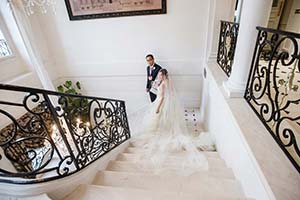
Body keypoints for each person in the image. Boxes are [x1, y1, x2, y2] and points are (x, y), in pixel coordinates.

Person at [131, 69, 215, 175]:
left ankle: (161, 131)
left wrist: (158, 107)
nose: (159, 76)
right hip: (159, 100)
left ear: (164, 75)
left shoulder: (165, 82)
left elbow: (163, 97)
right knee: (157, 120)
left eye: (161, 75)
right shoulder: (164, 81)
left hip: (160, 102)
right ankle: (160, 129)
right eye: (159, 75)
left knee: (159, 118)